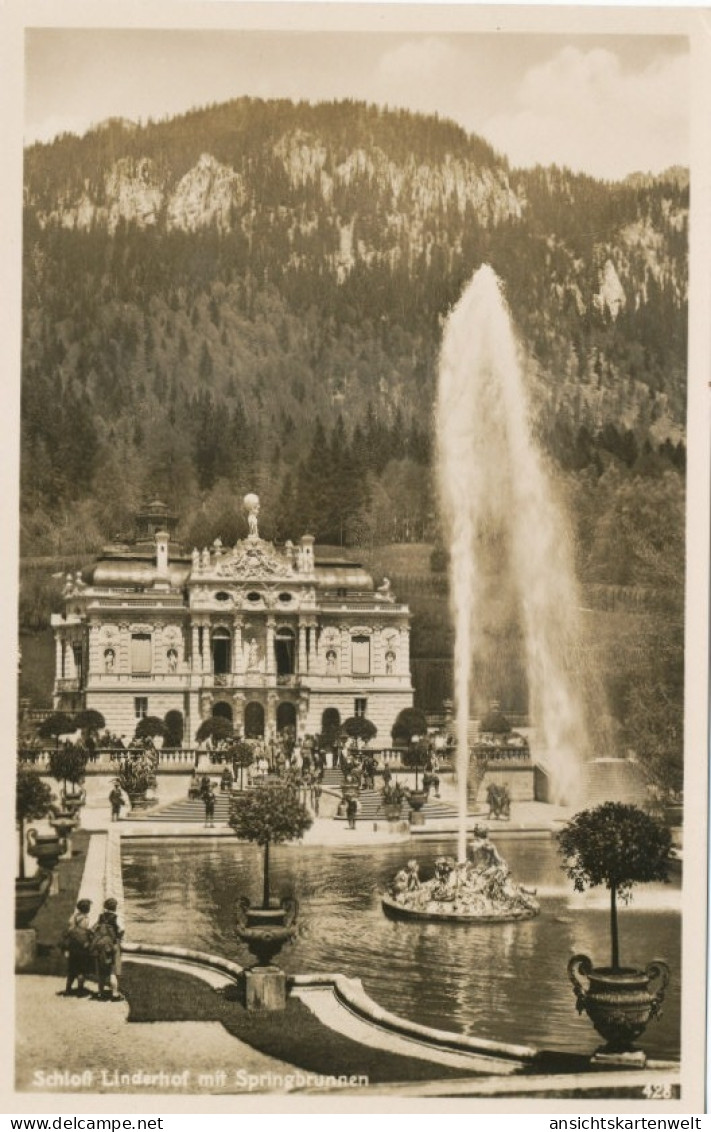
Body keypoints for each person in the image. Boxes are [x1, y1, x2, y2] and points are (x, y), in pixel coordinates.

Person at [90, 898, 124, 1002]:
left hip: (101, 946)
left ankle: (100, 993)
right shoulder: (116, 917)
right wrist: (118, 938)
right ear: (115, 907)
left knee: (102, 970)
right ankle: (114, 994)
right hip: (112, 945)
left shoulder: (101, 917)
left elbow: (92, 928)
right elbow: (122, 929)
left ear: (105, 906)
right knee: (112, 970)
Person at [61, 898, 93, 996]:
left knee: (72, 968)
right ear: (87, 909)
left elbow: (70, 929)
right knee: (81, 970)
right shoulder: (86, 919)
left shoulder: (73, 917)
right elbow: (86, 930)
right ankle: (80, 989)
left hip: (73, 946)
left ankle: (68, 988)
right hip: (82, 947)